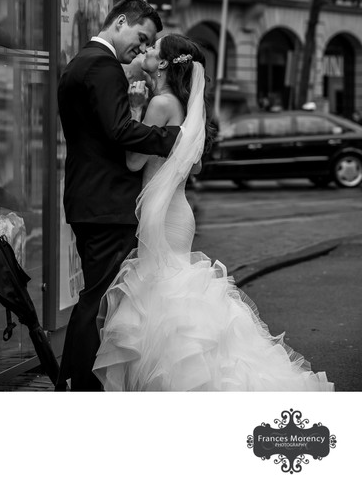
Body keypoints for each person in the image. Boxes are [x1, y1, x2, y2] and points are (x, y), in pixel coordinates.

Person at [93, 34, 333, 391]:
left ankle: (182, 385)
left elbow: (132, 161)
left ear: (163, 64)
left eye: (153, 48)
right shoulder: (184, 104)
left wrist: (133, 109)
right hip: (179, 211)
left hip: (160, 215)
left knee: (162, 300)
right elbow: (197, 166)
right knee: (176, 294)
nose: (147, 50)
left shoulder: (159, 103)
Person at [55, 0, 180, 391]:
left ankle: (72, 383)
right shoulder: (103, 66)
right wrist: (174, 137)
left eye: (148, 45)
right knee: (96, 304)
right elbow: (120, 132)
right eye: (141, 38)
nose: (142, 49)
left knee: (94, 299)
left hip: (88, 200)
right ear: (121, 21)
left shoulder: (81, 62)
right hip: (106, 206)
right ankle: (80, 389)